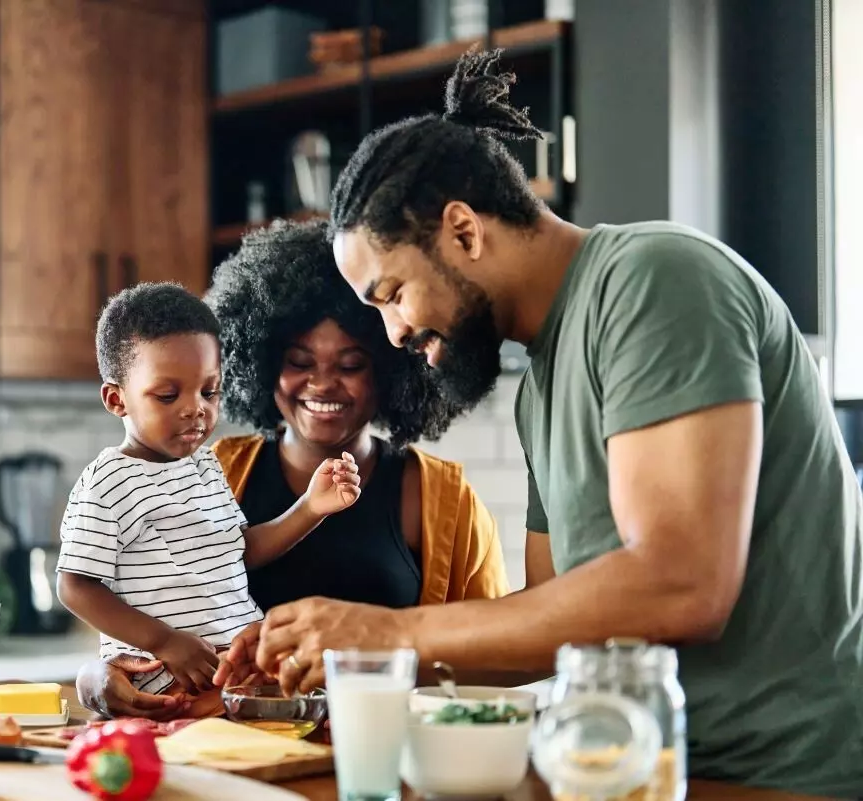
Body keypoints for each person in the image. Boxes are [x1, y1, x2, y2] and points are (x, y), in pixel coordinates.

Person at [255, 50, 863, 797]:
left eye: (391, 294)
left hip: (773, 777)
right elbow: (543, 633)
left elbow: (683, 583)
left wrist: (390, 634)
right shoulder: (537, 390)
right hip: (630, 767)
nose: (393, 335)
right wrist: (342, 660)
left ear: (464, 232)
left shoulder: (657, 281)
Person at [74, 220, 511, 720]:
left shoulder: (443, 501)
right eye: (300, 361)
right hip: (227, 755)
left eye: (350, 365)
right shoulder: (205, 473)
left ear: (391, 369)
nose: (322, 384)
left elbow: (490, 661)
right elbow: (134, 616)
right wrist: (94, 678)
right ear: (260, 361)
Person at [55, 282, 361, 700]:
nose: (195, 408)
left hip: (234, 676)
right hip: (169, 683)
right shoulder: (111, 479)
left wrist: (311, 507)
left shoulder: (203, 464)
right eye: (167, 395)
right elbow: (75, 586)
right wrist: (164, 642)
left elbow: (237, 549)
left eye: (209, 391)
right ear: (116, 399)